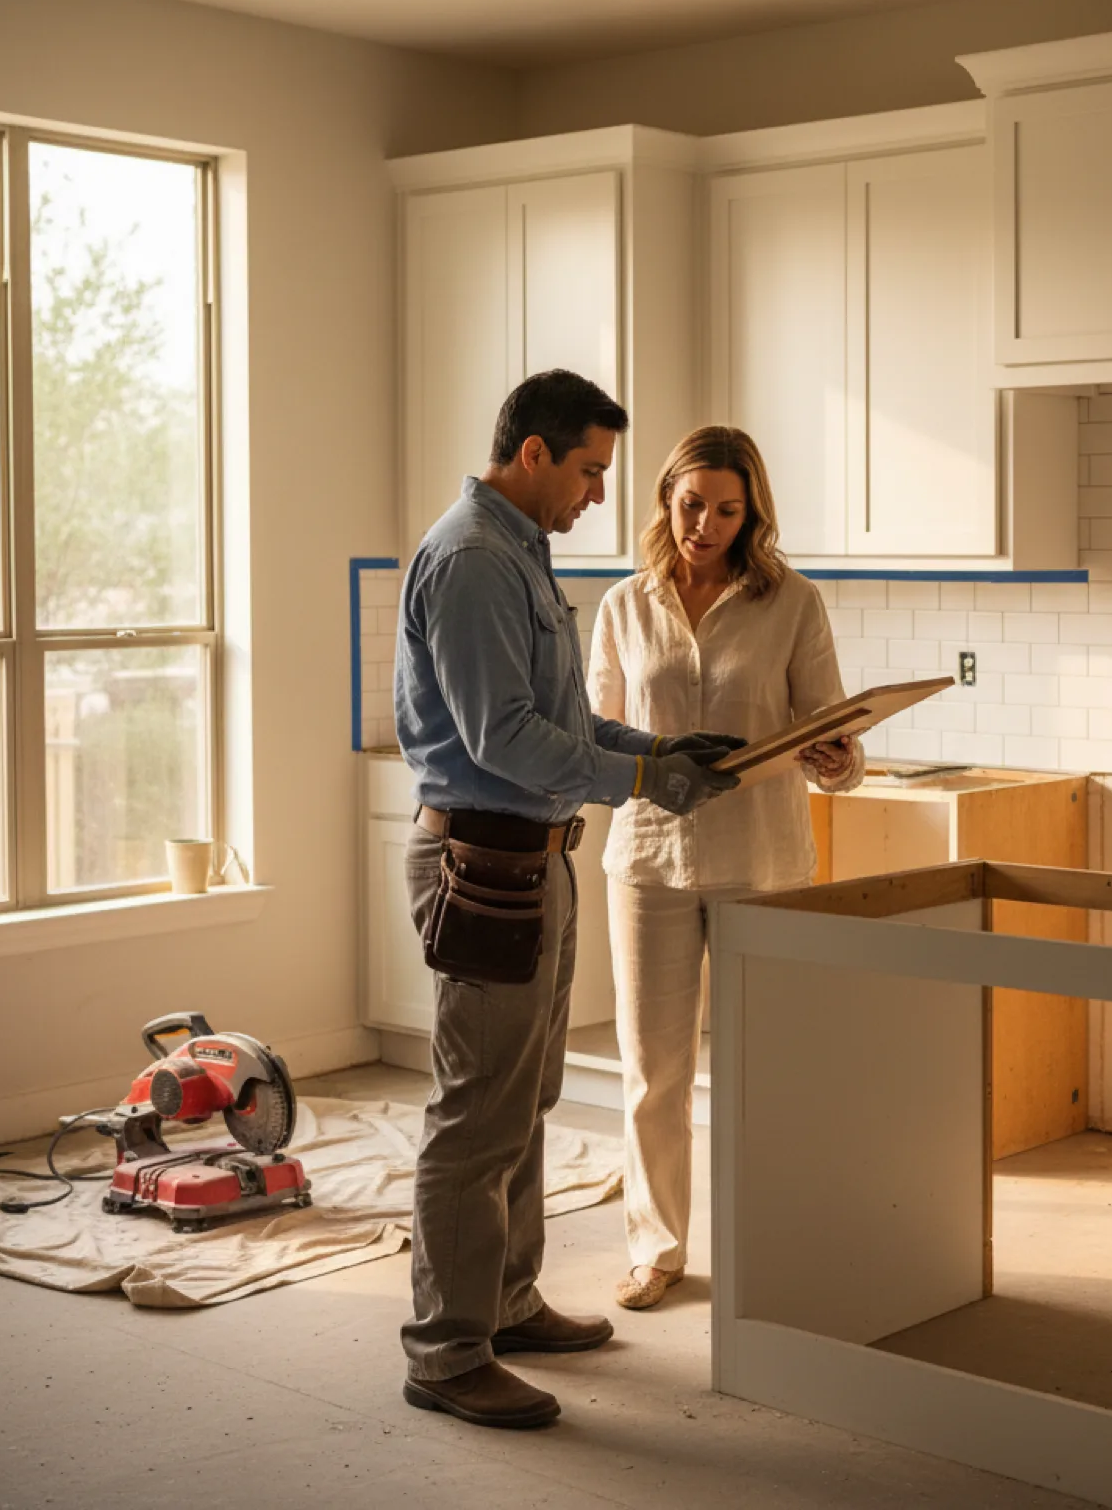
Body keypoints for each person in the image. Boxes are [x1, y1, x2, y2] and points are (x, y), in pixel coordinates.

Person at [393, 370, 744, 1430]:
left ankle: (502, 1299)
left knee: (526, 1097)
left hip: (533, 856)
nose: (600, 492)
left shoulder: (522, 557)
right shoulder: (469, 560)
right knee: (476, 1112)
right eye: (590, 469)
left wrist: (656, 747)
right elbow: (501, 738)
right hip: (481, 861)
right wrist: (646, 780)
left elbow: (566, 719)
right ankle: (446, 1352)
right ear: (533, 454)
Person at [588, 425, 863, 1312]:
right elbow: (597, 733)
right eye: (692, 503)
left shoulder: (793, 603)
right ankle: (656, 1249)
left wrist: (837, 759)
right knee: (654, 1074)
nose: (706, 523)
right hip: (647, 863)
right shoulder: (623, 606)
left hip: (764, 861)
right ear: (667, 499)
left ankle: (766, 1243)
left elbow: (837, 737)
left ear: (754, 515)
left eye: (728, 509)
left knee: (766, 1067)